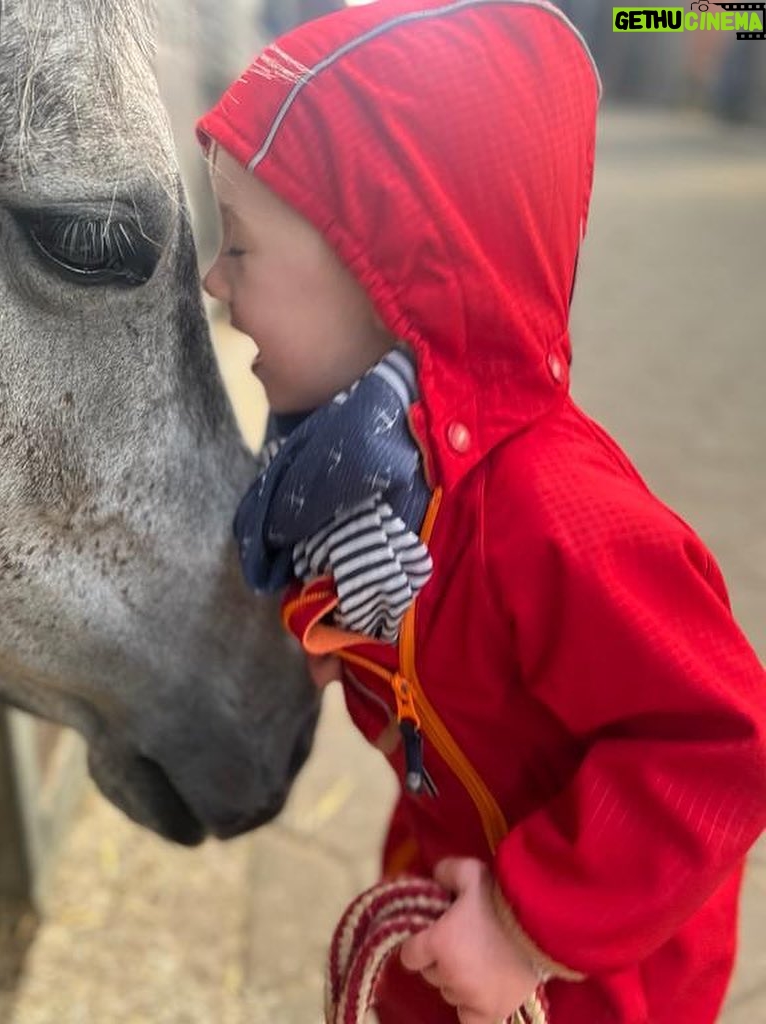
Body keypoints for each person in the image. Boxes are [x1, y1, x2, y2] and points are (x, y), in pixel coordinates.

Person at [196, 1, 766, 1023]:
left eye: (238, 246)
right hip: (451, 879)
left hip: (588, 960)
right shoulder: (376, 473)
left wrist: (523, 925)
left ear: (387, 272)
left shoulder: (555, 517)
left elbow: (720, 742)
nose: (212, 280)